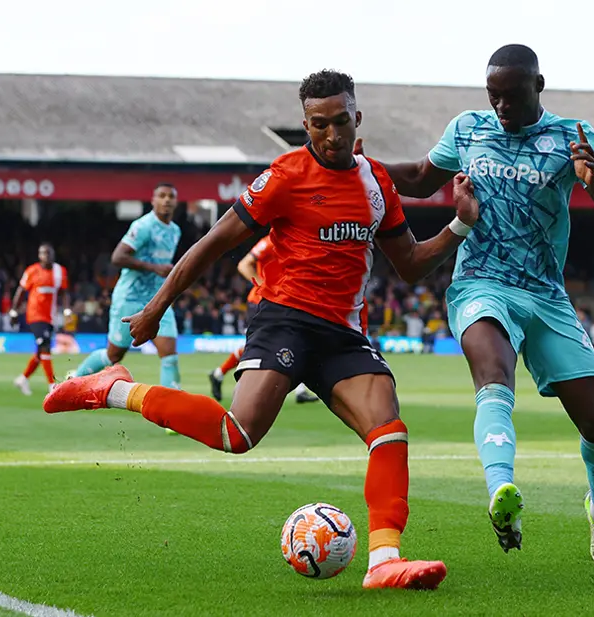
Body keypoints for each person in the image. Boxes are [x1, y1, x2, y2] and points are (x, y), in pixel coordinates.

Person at [44, 69, 478, 591]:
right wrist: (158, 306)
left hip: (343, 331)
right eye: (319, 125)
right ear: (305, 126)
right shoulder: (284, 177)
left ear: (357, 119)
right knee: (236, 433)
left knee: (389, 428)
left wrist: (460, 225)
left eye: (341, 122)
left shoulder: (376, 180)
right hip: (287, 320)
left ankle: (384, 561)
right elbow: (213, 242)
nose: (332, 135)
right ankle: (110, 388)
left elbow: (408, 263)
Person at [355, 44, 594, 563]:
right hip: (480, 282)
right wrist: (359, 163)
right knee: (493, 372)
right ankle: (501, 493)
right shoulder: (468, 128)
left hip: (547, 295)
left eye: (511, 95)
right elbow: (419, 176)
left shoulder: (574, 136)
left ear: (539, 85)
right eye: (493, 95)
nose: (501, 106)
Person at [69, 183, 182, 389]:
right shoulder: (143, 226)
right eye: (162, 196)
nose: (166, 200)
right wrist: (154, 268)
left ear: (176, 201)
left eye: (170, 196)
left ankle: (173, 407)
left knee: (169, 354)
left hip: (157, 299)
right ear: (153, 200)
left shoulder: (175, 231)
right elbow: (118, 257)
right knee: (114, 354)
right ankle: (73, 381)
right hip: (130, 297)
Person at [208, 235, 319, 404]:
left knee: (295, 339)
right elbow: (244, 265)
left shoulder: (294, 242)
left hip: (283, 301)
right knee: (258, 346)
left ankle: (300, 390)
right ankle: (219, 373)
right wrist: (265, 287)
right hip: (261, 303)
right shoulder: (269, 242)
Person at [10, 243, 69, 395]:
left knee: (40, 352)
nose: (46, 256)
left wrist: (67, 310)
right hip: (35, 315)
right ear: (39, 255)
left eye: (49, 253)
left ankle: (23, 379)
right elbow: (21, 291)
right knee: (45, 347)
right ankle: (52, 385)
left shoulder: (59, 271)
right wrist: (14, 311)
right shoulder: (32, 271)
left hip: (51, 317)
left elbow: (63, 292)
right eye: (43, 253)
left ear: (53, 255)